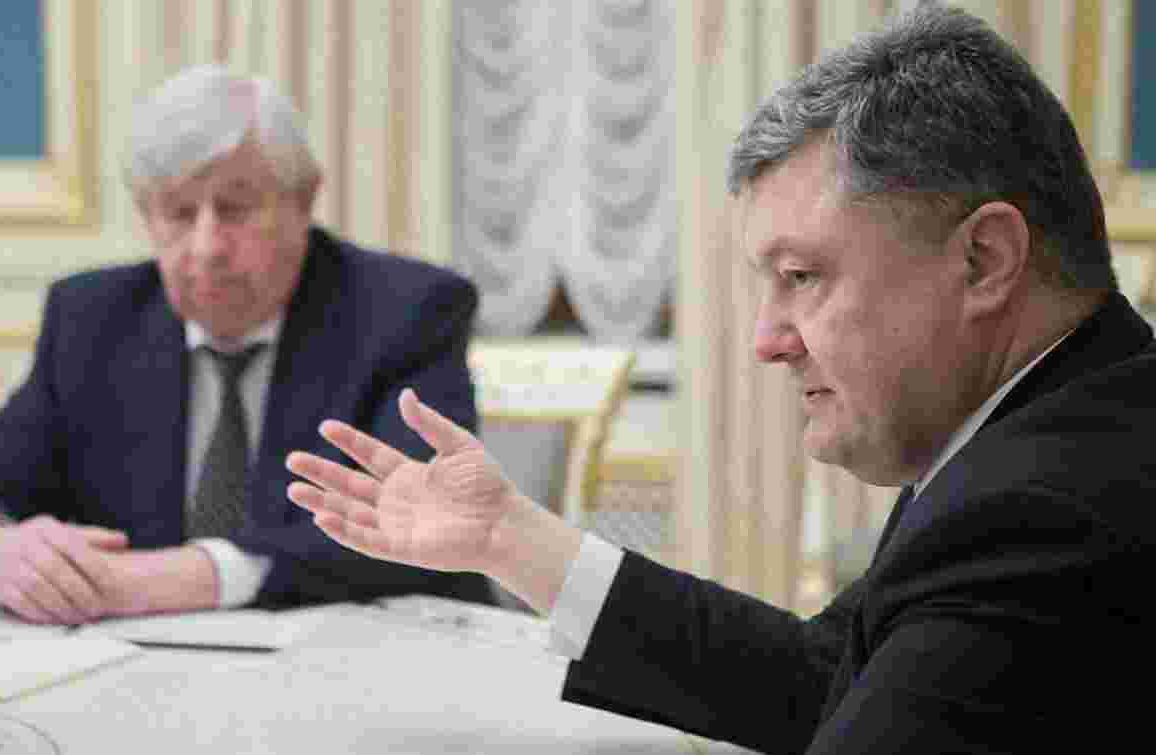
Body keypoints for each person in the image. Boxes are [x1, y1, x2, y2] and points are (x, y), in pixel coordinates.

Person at [285, 5, 1156, 753]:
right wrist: (507, 536)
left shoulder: (1043, 511)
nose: (767, 340)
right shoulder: (1053, 425)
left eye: (803, 276)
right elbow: (827, 679)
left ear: (984, 259)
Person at [0, 64, 492, 625]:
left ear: (302, 201)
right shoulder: (92, 320)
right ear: (147, 217)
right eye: (179, 214)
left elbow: (416, 525)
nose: (207, 247)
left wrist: (172, 578)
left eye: (235, 210)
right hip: (147, 665)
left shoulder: (408, 312)